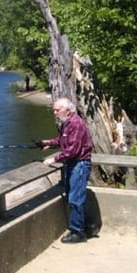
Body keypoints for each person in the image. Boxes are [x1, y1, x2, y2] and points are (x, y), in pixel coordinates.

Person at [34, 97, 94, 244]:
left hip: (80, 164)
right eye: (54, 110)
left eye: (57, 110)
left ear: (67, 110)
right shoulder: (66, 124)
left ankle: (78, 232)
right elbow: (63, 141)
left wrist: (53, 159)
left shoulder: (76, 123)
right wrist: (48, 143)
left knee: (75, 198)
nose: (54, 112)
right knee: (73, 196)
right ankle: (87, 226)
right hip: (72, 164)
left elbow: (72, 150)